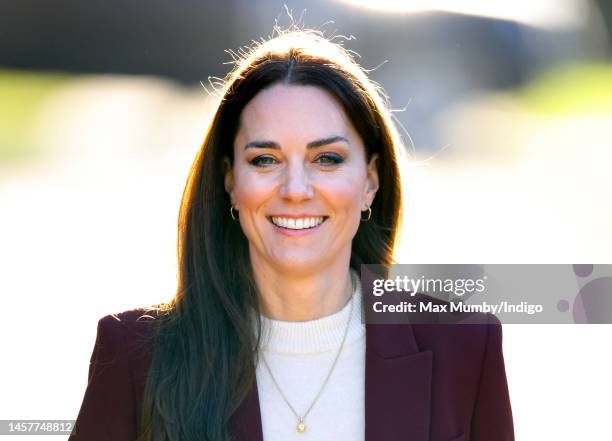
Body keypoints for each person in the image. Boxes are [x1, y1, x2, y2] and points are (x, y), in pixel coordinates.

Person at [69, 28, 514, 441]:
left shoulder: (465, 347)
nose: (296, 190)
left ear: (370, 181)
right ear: (230, 180)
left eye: (327, 159)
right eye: (265, 160)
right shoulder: (134, 356)